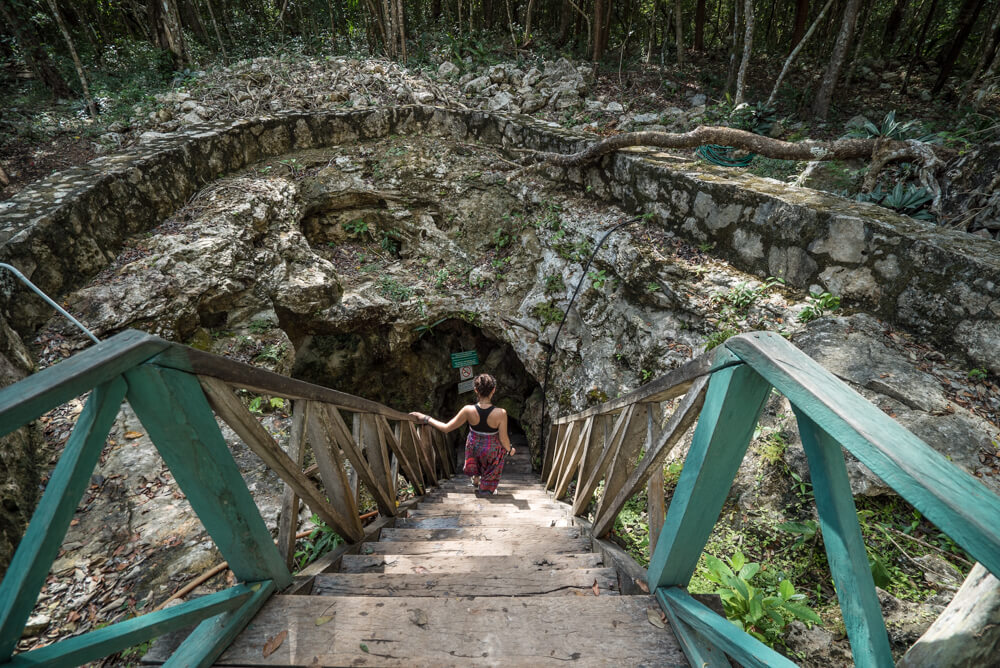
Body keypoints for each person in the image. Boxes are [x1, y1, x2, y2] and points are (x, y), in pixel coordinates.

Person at [409, 373, 515, 496]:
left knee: (474, 442)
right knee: (499, 450)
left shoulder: (467, 410)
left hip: (474, 451)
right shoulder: (501, 413)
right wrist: (510, 449)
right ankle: (487, 485)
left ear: (476, 390)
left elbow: (446, 428)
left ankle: (476, 474)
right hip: (490, 453)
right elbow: (503, 439)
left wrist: (426, 418)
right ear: (493, 390)